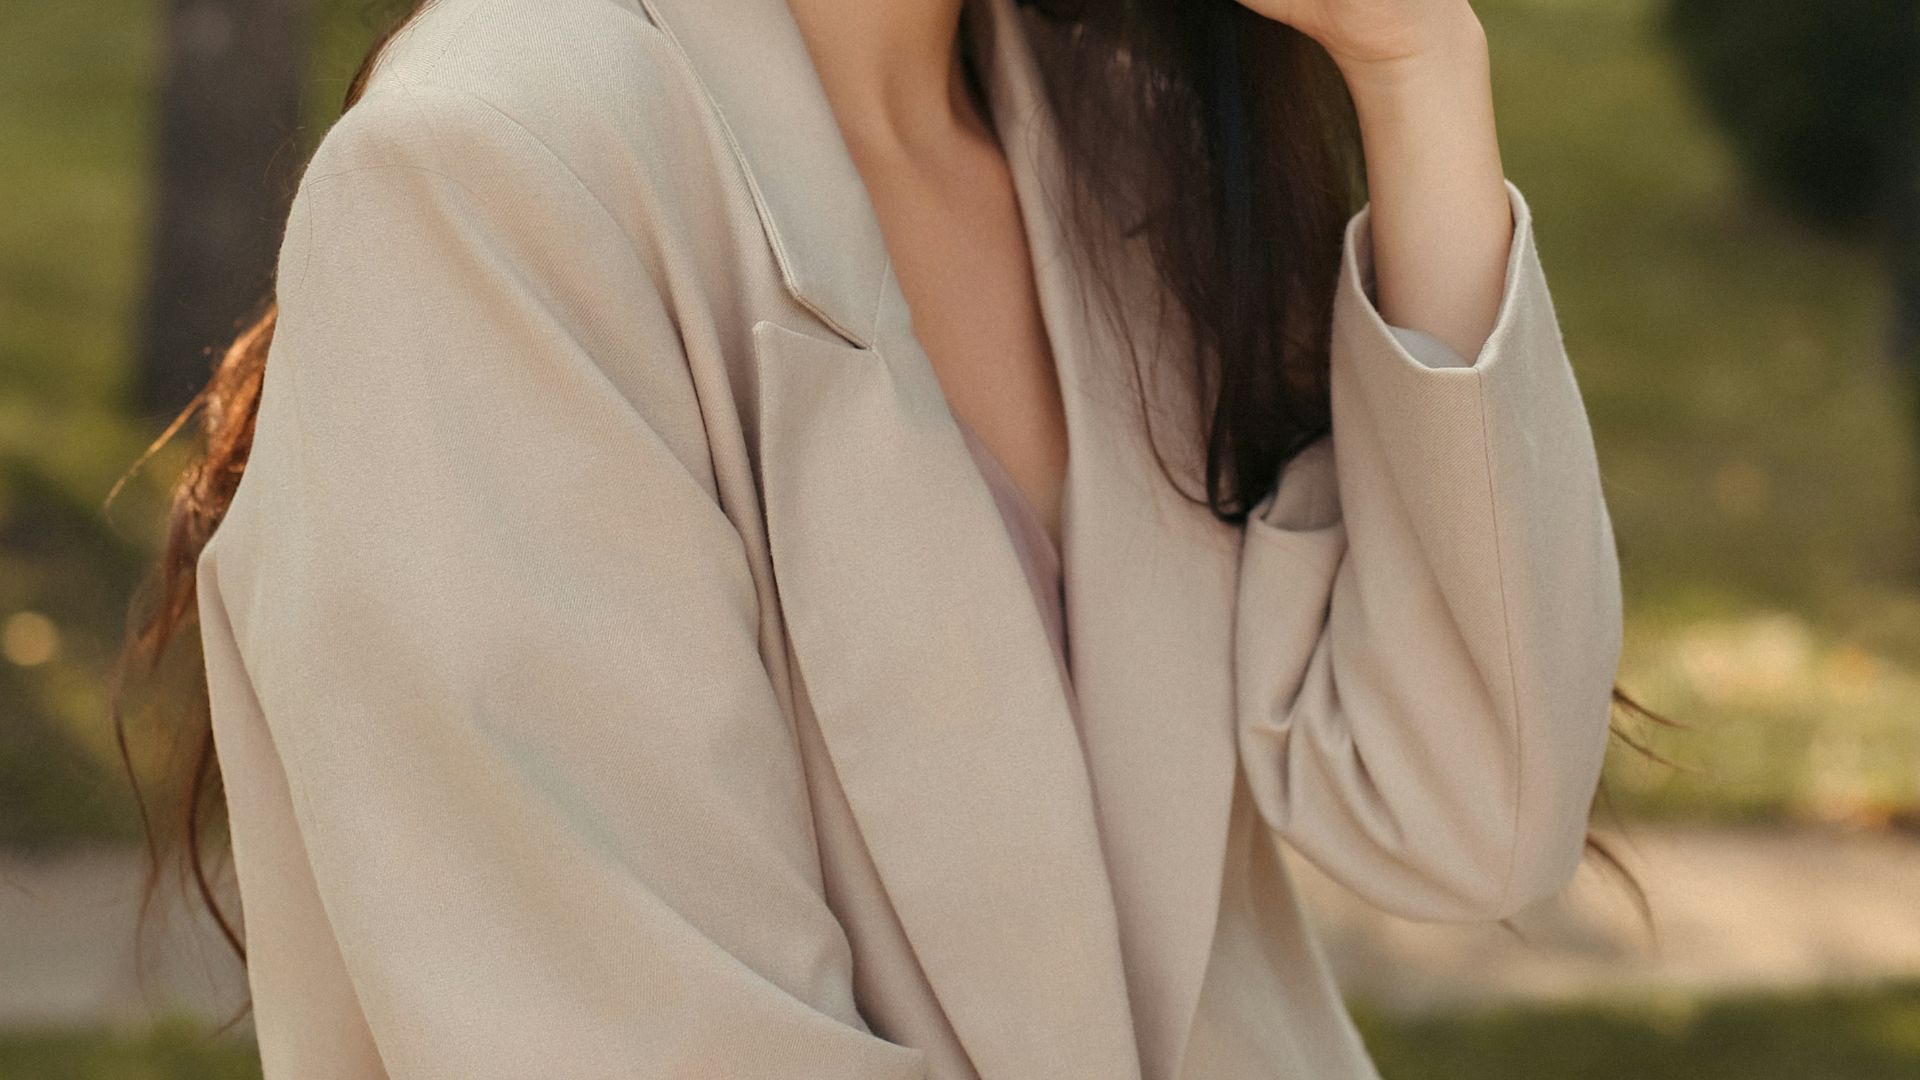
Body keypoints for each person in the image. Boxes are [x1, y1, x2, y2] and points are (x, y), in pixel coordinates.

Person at [121, 0, 1634, 1075]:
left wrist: (1418, 61)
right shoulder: (489, 169)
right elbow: (638, 1038)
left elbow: (1472, 811)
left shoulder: (1123, 148)